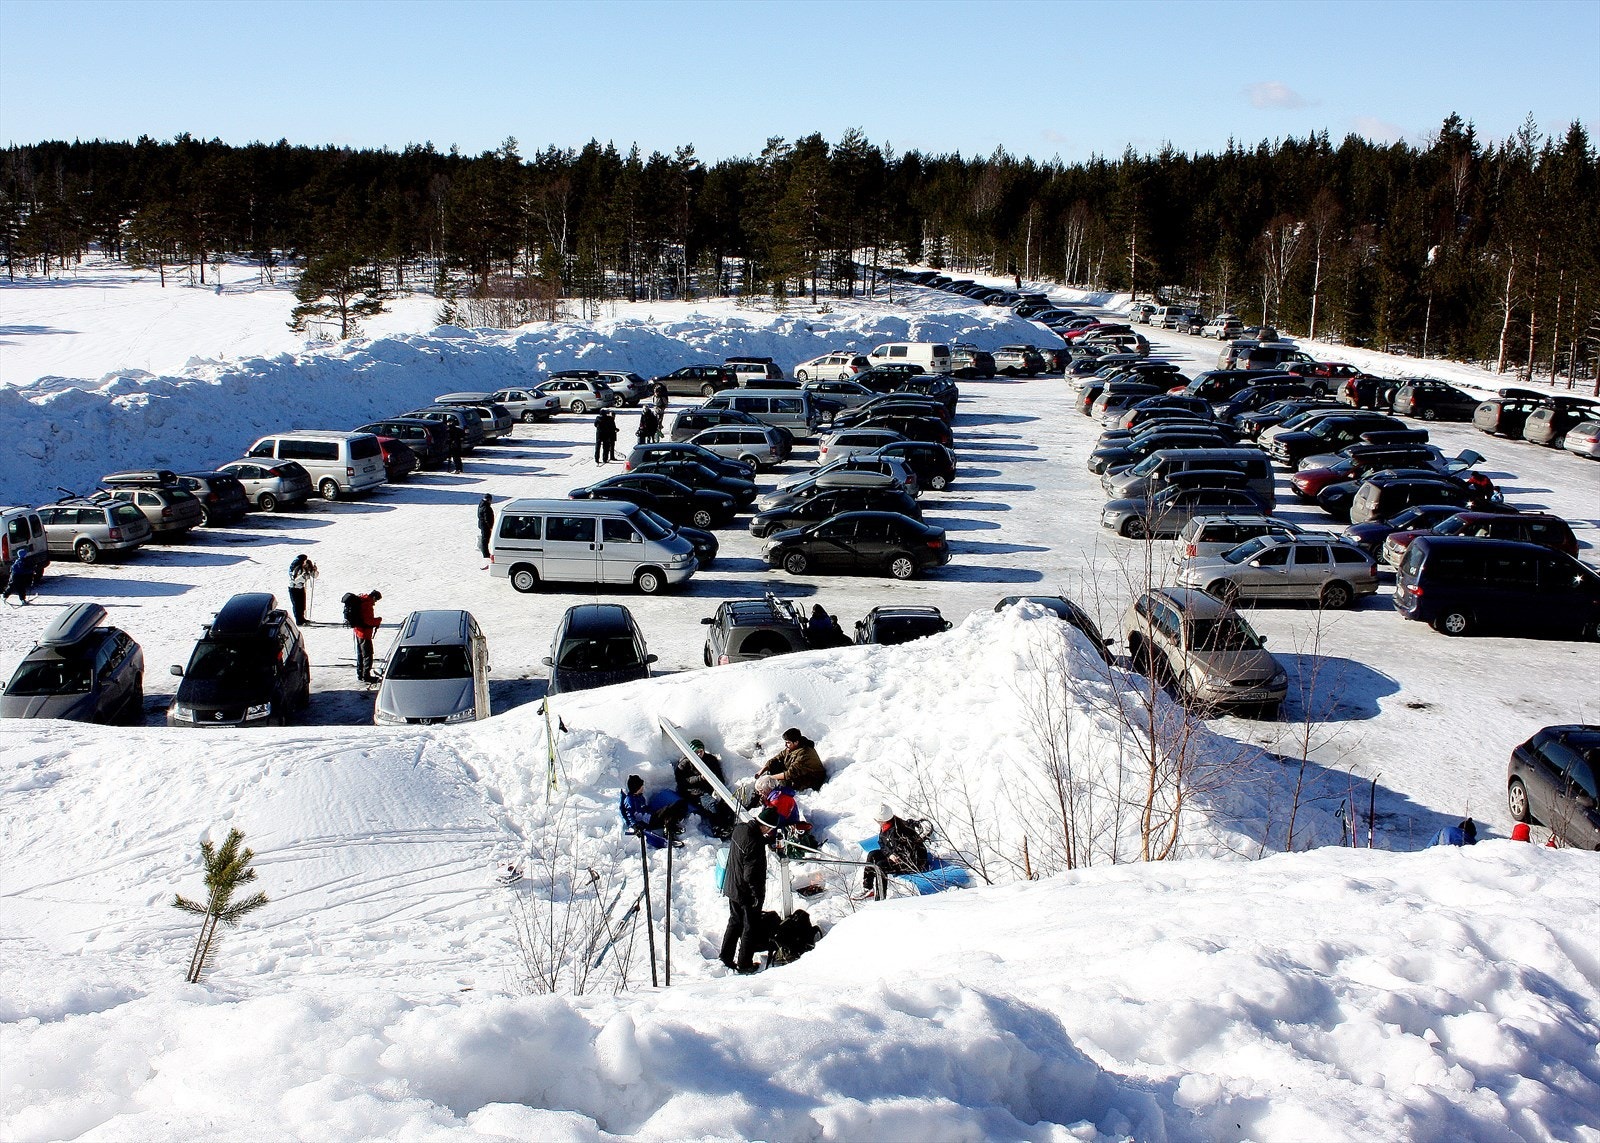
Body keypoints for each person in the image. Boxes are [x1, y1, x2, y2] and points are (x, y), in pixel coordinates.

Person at [720, 808, 777, 974]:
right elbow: (751, 874)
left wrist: (763, 841)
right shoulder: (755, 844)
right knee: (749, 928)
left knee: (734, 921)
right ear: (766, 827)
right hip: (746, 892)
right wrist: (756, 895)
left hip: (732, 885)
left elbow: (747, 844)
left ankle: (726, 956)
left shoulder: (740, 828)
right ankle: (744, 963)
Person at [862, 804, 930, 899]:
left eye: (878, 820)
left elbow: (907, 851)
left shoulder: (900, 831)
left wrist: (893, 855)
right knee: (872, 855)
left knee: (881, 866)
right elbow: (882, 843)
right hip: (898, 854)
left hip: (913, 861)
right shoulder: (887, 825)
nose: (877, 822)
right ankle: (868, 888)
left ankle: (880, 897)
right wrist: (890, 854)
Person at [676, 739, 734, 836]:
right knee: (712, 805)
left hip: (710, 789)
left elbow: (719, 777)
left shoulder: (710, 760)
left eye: (700, 751)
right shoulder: (685, 763)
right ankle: (717, 828)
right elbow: (683, 782)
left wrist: (716, 785)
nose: (699, 754)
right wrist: (699, 778)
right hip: (694, 792)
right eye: (696, 752)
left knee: (726, 803)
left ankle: (729, 825)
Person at [619, 774, 687, 846]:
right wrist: (635, 826)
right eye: (641, 786)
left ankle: (671, 826)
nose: (643, 787)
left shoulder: (640, 797)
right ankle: (668, 832)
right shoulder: (630, 800)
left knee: (679, 805)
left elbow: (645, 808)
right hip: (649, 822)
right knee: (670, 809)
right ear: (637, 788)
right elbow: (629, 814)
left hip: (651, 816)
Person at [756, 727, 826, 794]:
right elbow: (778, 758)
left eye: (788, 742)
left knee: (783, 783)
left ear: (796, 742)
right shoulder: (792, 748)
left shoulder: (804, 753)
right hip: (797, 772)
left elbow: (790, 774)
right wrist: (762, 771)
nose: (786, 745)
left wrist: (770, 778)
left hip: (810, 778)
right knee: (774, 765)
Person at [351, 589, 383, 683]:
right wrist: (378, 620)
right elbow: (368, 621)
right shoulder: (367, 604)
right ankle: (366, 676)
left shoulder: (362, 600)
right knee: (367, 655)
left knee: (360, 654)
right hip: (364, 633)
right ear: (373, 597)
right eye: (376, 600)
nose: (375, 602)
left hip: (358, 631)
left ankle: (360, 674)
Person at [287, 553, 318, 625]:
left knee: (302, 604)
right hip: (294, 588)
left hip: (300, 587)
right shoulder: (297, 567)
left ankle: (302, 619)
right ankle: (299, 621)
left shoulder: (306, 566)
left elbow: (314, 576)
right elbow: (294, 580)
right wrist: (303, 577)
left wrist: (314, 570)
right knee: (297, 605)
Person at [476, 494, 495, 559]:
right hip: (485, 526)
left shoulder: (481, 505)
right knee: (485, 540)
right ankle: (486, 554)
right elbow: (487, 519)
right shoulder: (486, 507)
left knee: (485, 539)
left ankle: (485, 552)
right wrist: (491, 527)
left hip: (482, 524)